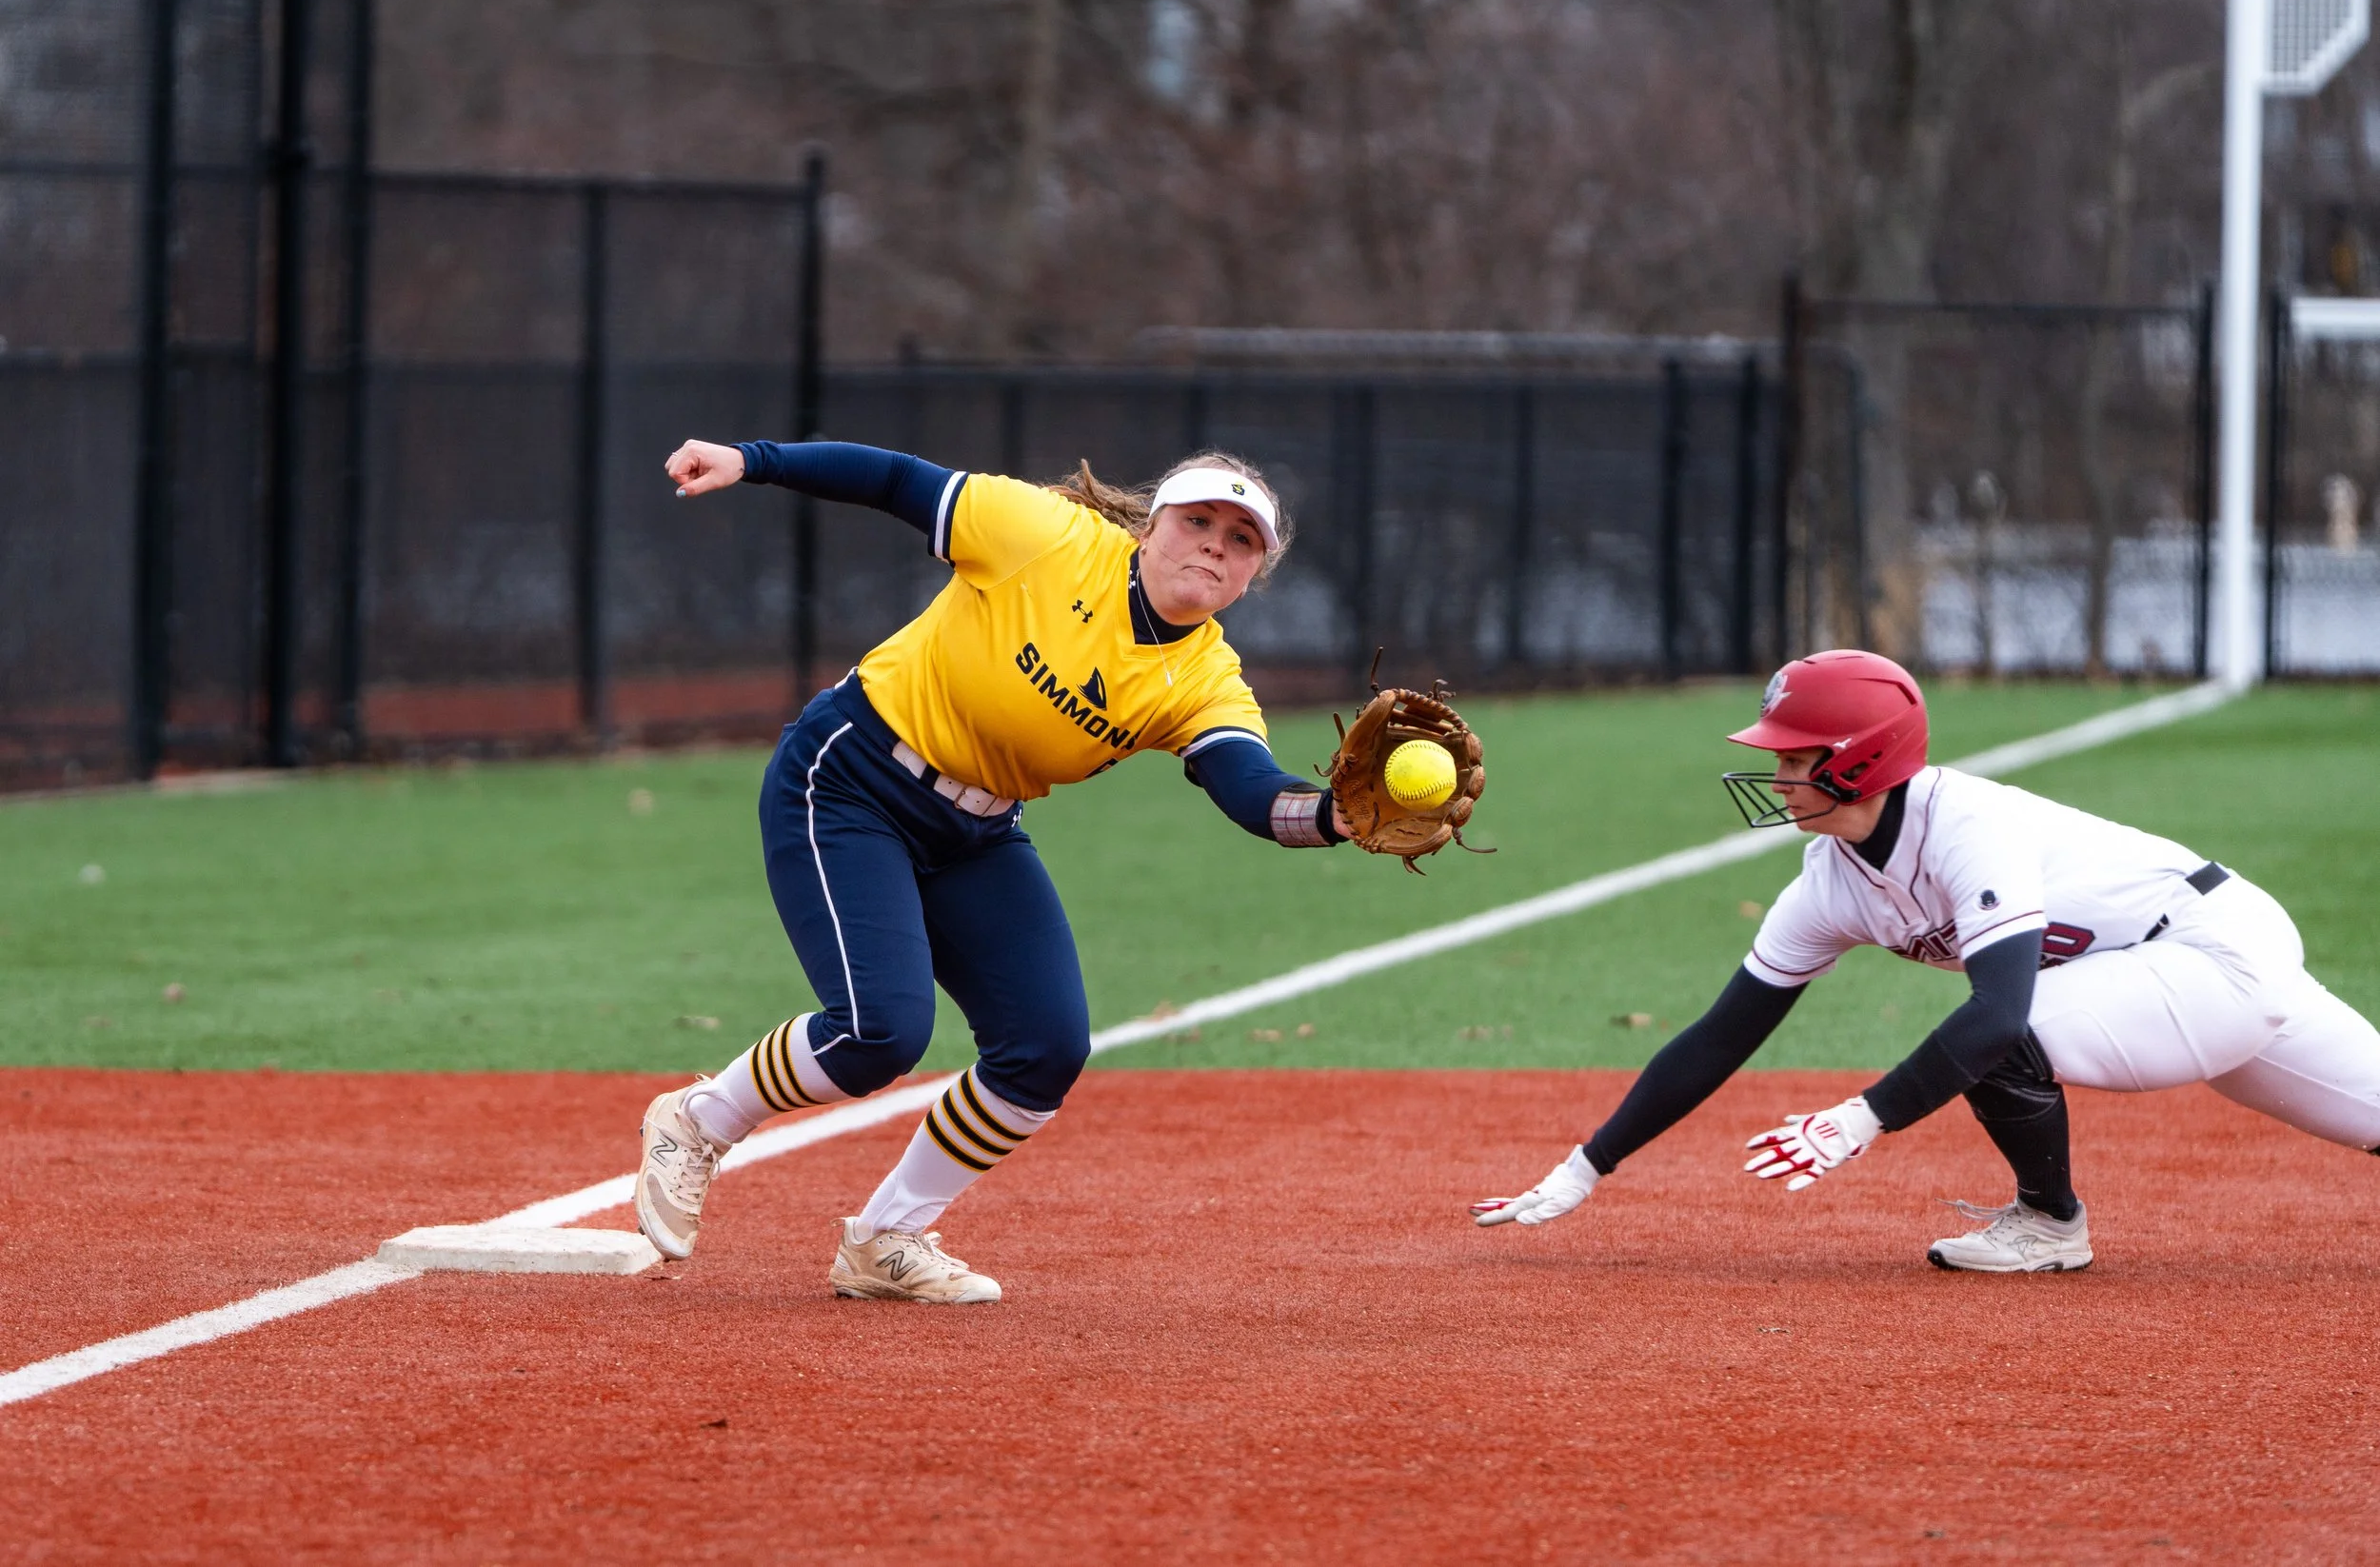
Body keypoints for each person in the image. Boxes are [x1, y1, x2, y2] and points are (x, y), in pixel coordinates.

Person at [634, 435, 1354, 1302]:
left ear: (1253, 575)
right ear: (1152, 527)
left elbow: (1248, 786)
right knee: (880, 1032)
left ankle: (884, 1239)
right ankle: (696, 1121)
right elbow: (899, 481)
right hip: (852, 777)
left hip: (977, 831)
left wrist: (1333, 815)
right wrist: (756, 460)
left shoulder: (1203, 676)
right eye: (1198, 521)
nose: (1214, 544)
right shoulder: (1046, 537)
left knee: (1044, 1049)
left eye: (1240, 540)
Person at [1472, 649, 2380, 1272]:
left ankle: (2050, 1224)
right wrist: (1586, 1166)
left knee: (2002, 1034)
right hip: (2170, 972)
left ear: (1858, 763)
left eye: (1793, 757)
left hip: (2216, 953)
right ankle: (2047, 1219)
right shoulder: (1829, 882)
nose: (1775, 774)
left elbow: (1994, 1016)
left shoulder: (1966, 827)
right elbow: (1721, 1036)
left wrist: (1860, 1119)